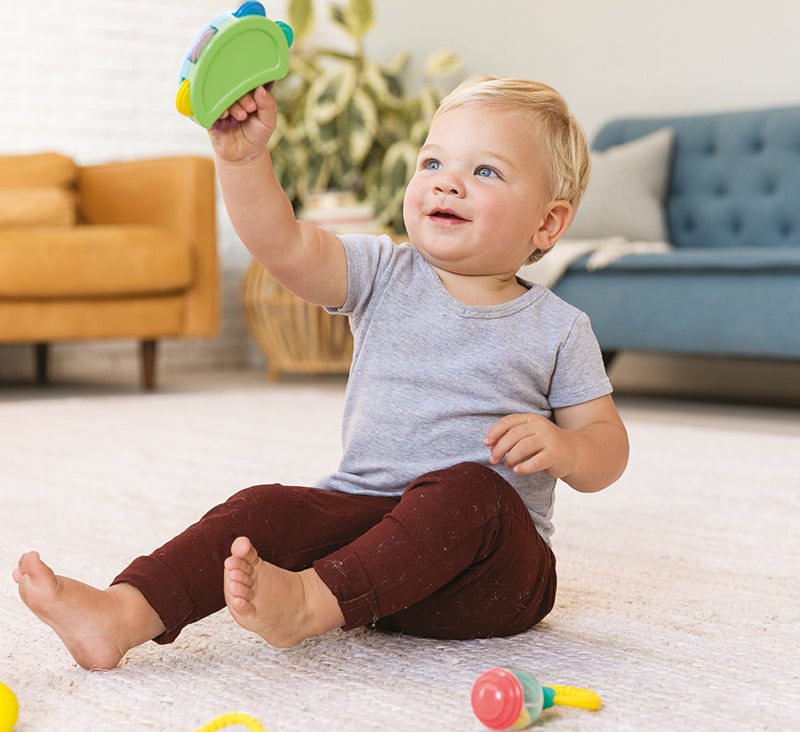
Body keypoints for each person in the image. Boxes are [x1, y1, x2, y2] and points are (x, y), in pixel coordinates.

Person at [13, 75, 629, 670]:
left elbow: (607, 447)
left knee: (474, 490)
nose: (447, 183)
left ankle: (312, 603)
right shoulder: (383, 272)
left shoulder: (559, 328)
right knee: (266, 507)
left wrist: (568, 448)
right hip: (369, 551)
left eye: (485, 171)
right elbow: (283, 245)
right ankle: (121, 615)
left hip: (486, 576)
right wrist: (242, 160)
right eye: (433, 163)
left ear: (547, 223)